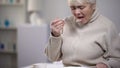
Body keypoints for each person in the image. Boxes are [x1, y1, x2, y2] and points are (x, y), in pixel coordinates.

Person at [45, 0, 120, 68]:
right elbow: (52, 57)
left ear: (93, 6)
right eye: (73, 8)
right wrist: (55, 35)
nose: (77, 12)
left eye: (81, 7)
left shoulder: (107, 26)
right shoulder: (66, 23)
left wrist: (107, 65)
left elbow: (117, 59)